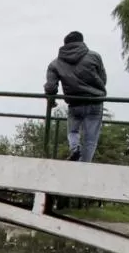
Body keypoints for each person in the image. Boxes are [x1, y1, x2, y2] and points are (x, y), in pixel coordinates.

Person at [44, 31, 107, 162]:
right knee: (90, 139)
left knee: (72, 131)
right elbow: (103, 78)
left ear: (65, 44)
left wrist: (51, 101)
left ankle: (75, 148)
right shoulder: (94, 57)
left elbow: (50, 87)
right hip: (95, 101)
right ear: (82, 42)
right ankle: (84, 166)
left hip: (74, 103)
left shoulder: (55, 64)